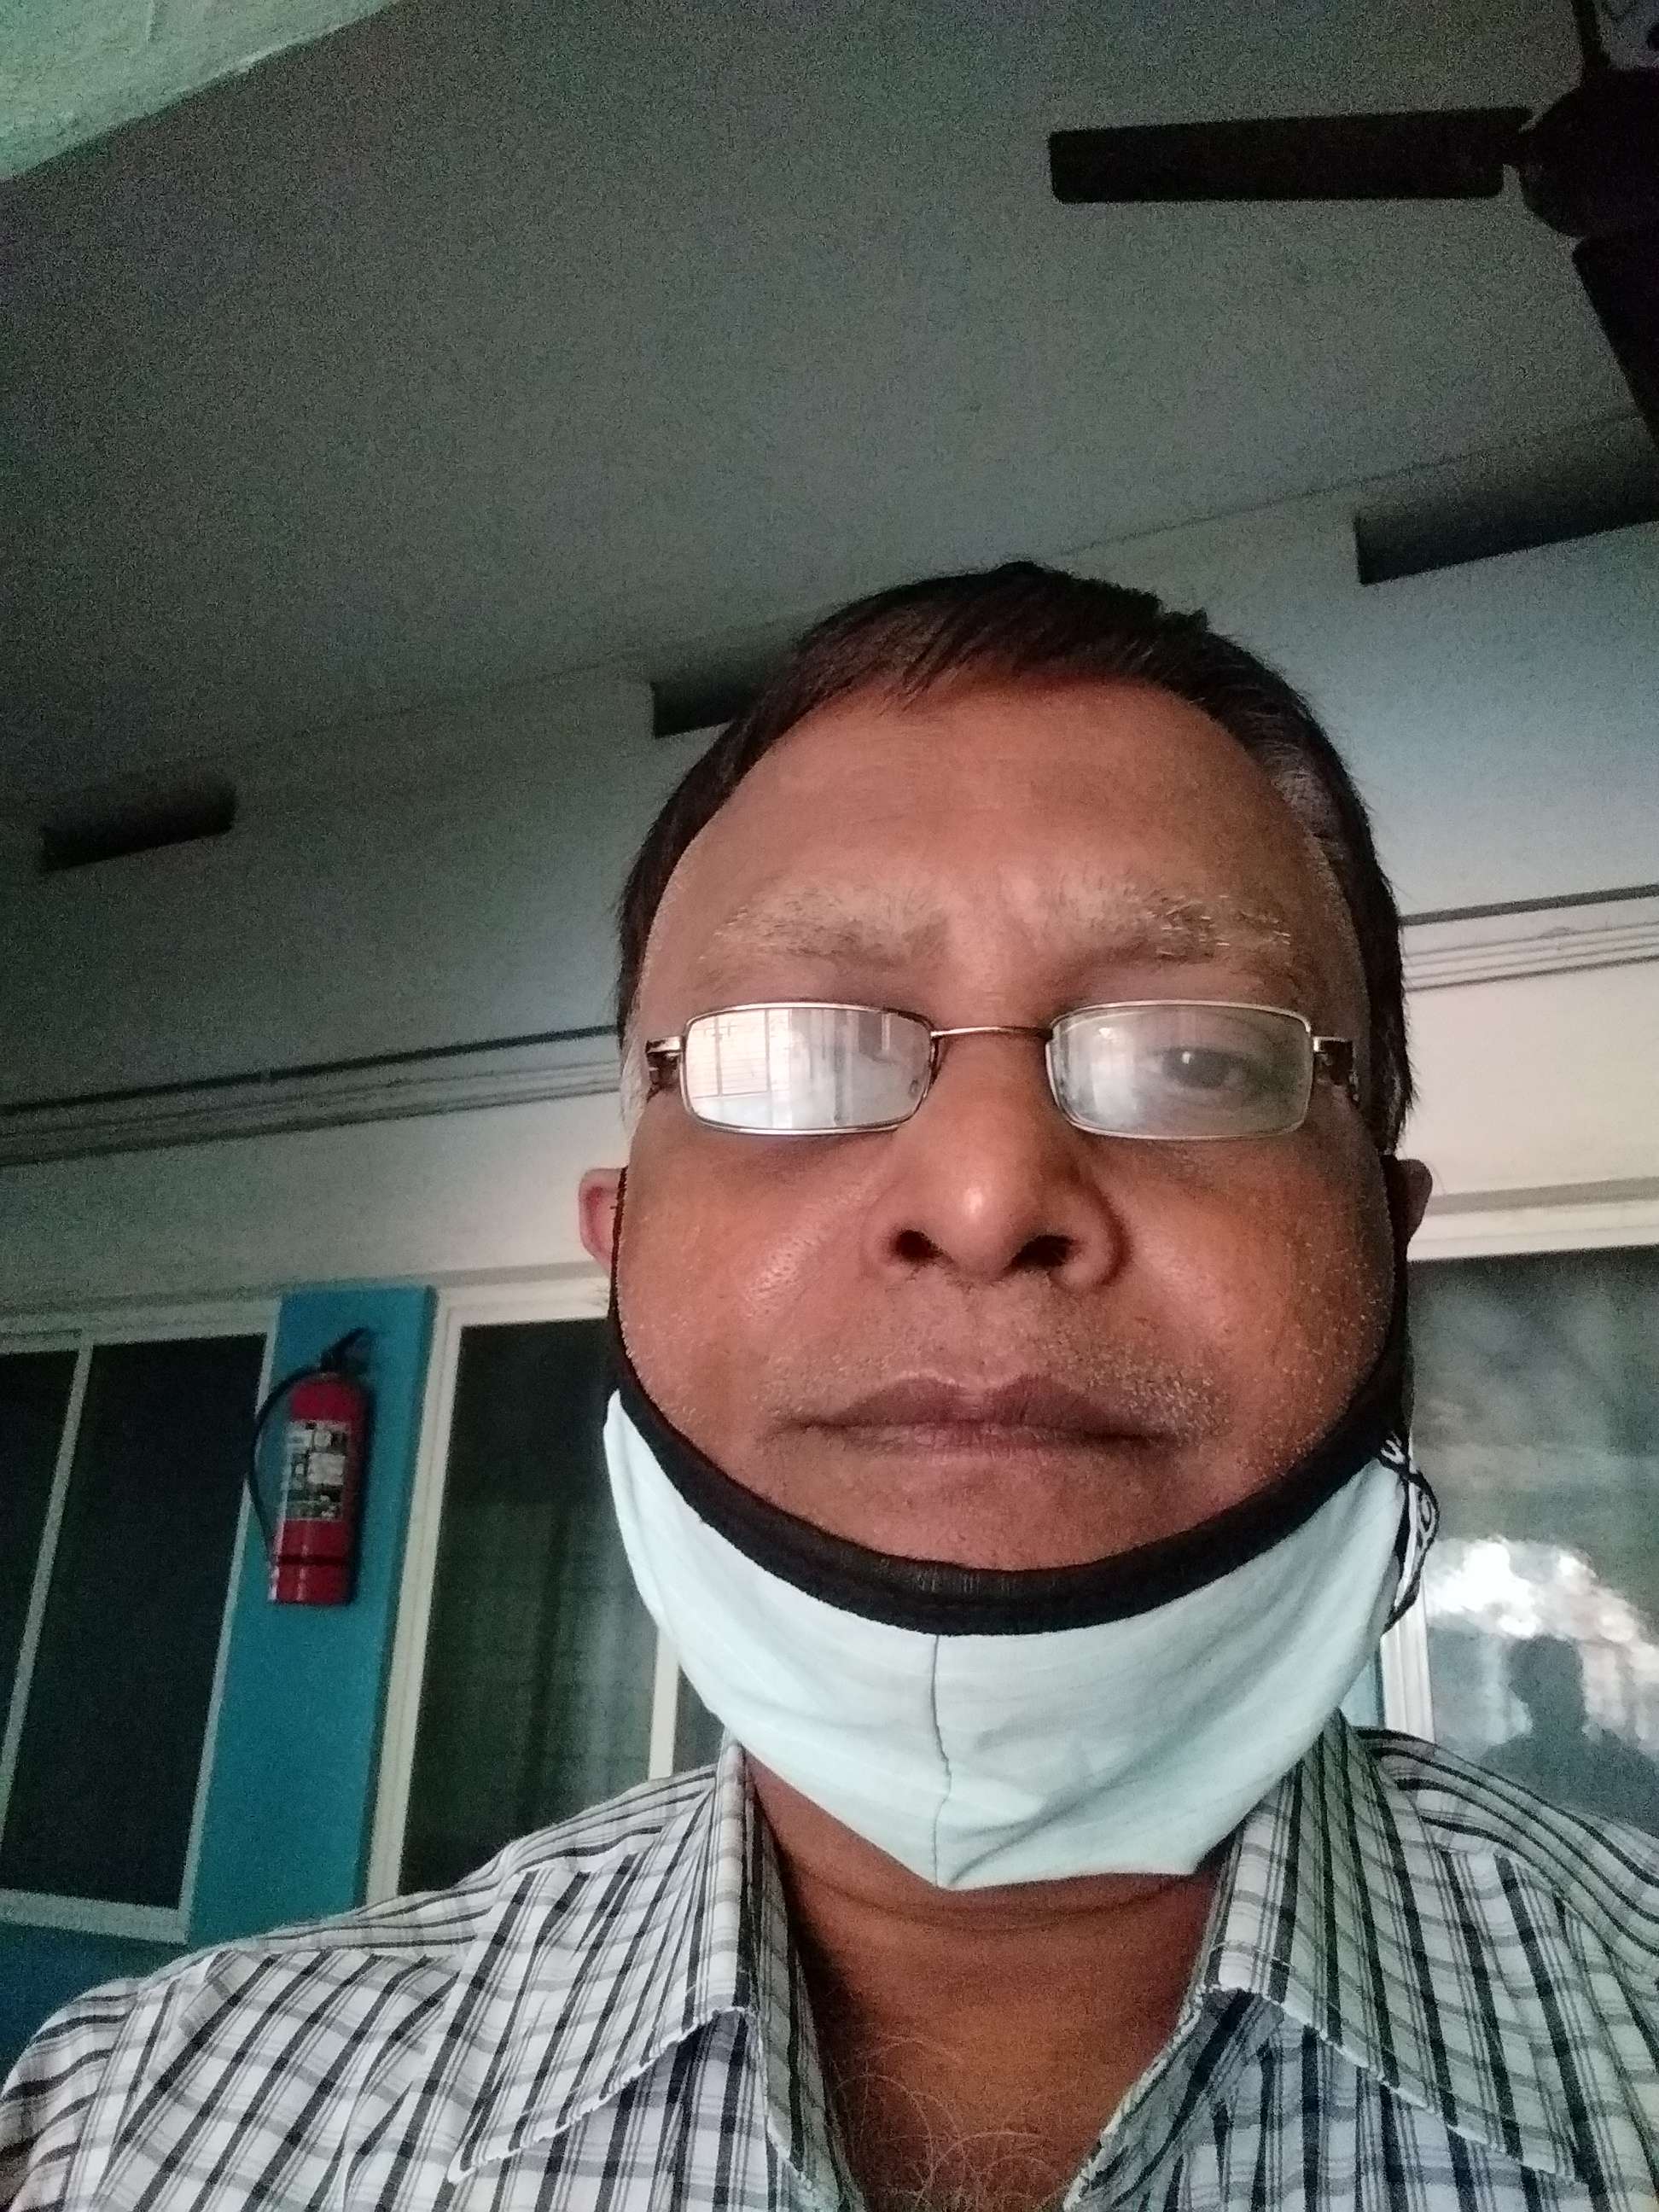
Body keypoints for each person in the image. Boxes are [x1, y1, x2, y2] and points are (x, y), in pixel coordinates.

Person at [3, 563, 1656, 2210]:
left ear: (1386, 1238)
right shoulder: (120, 2137)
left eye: (1195, 1056)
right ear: (620, 1244)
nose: (988, 1193)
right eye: (795, 1051)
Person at [1484, 1633, 1659, 1835]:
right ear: (1522, 1690)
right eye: (1554, 1678)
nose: (1572, 1691)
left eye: (1572, 1677)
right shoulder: (1504, 1768)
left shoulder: (1626, 1767)